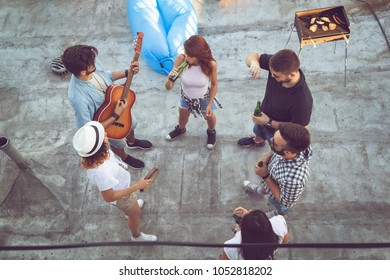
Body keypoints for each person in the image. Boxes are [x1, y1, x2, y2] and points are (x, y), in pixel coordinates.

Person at [62, 45, 152, 169]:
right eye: (93, 63)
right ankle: (124, 157)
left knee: (131, 125)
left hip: (117, 105)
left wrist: (127, 72)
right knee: (118, 143)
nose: (95, 62)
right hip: (107, 123)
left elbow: (107, 75)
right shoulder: (77, 98)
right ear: (83, 71)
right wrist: (115, 115)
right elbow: (89, 129)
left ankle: (132, 142)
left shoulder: (90, 62)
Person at [72, 121, 157, 241]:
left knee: (132, 207)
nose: (106, 134)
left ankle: (130, 209)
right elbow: (109, 197)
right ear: (100, 145)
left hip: (123, 188)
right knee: (135, 214)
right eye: (104, 136)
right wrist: (137, 186)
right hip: (122, 197)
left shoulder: (95, 153)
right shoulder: (101, 173)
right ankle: (136, 236)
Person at [238, 49, 313, 148]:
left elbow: (299, 129)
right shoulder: (277, 64)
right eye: (271, 71)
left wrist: (268, 122)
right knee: (258, 131)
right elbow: (253, 55)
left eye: (276, 75)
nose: (271, 76)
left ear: (292, 74)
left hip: (278, 133)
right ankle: (258, 141)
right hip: (263, 116)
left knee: (274, 150)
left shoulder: (303, 101)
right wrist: (254, 62)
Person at [243, 122, 312, 216]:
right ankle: (260, 191)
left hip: (277, 197)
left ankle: (279, 214)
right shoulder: (296, 146)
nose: (271, 140)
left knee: (281, 207)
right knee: (265, 187)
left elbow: (284, 201)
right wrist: (265, 158)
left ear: (287, 152)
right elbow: (275, 151)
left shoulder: (294, 180)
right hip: (271, 179)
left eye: (274, 143)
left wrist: (265, 175)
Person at [165, 35, 221, 150]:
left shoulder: (210, 64)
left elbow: (214, 84)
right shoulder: (181, 59)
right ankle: (181, 129)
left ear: (199, 56)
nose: (186, 57)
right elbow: (168, 87)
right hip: (185, 97)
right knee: (182, 118)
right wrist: (169, 79)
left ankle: (211, 132)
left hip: (204, 98)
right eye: (185, 52)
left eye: (190, 56)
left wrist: (210, 104)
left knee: (210, 118)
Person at [220, 207, 288, 260]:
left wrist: (238, 233)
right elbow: (285, 240)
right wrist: (252, 219)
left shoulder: (231, 247)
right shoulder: (279, 222)